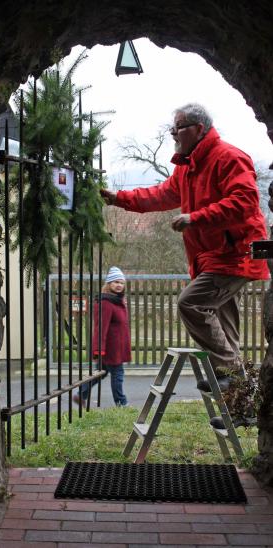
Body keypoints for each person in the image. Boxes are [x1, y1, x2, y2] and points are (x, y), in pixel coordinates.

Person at [100, 103, 269, 424]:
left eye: (179, 127)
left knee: (190, 303)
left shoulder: (228, 157)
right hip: (212, 259)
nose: (173, 133)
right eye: (173, 127)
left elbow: (244, 202)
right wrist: (119, 198)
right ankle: (241, 408)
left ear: (199, 128)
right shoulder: (187, 167)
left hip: (235, 256)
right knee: (228, 333)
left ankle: (230, 373)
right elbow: (160, 195)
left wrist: (196, 217)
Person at [73, 266, 131, 407]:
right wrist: (99, 349)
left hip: (117, 346)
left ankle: (81, 395)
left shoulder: (117, 301)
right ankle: (121, 403)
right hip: (111, 348)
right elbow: (100, 328)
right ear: (109, 284)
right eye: (116, 282)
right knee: (117, 374)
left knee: (102, 372)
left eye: (121, 283)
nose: (119, 285)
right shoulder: (106, 303)